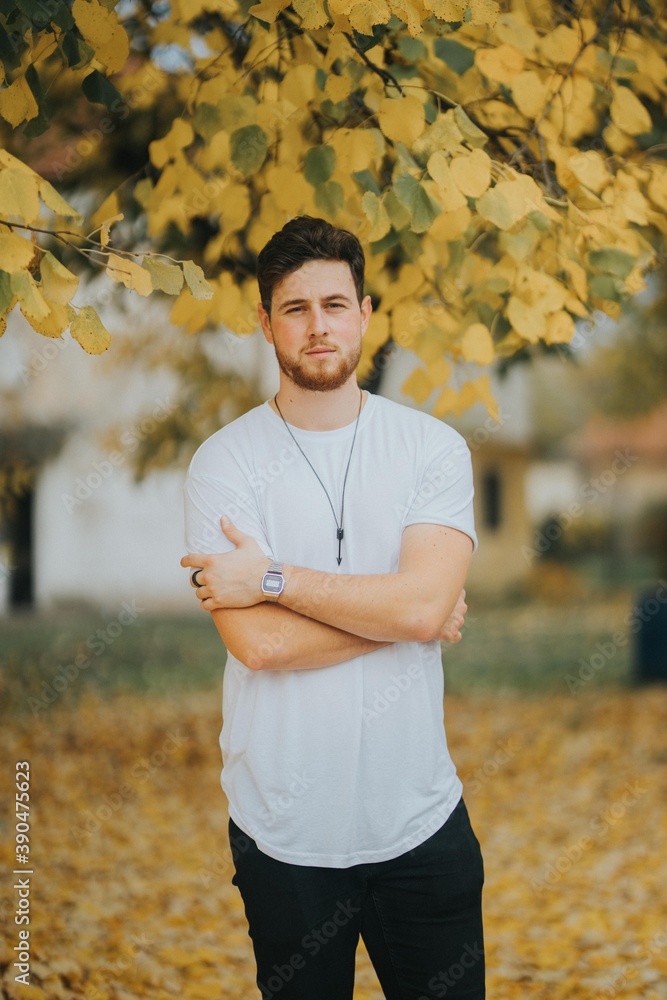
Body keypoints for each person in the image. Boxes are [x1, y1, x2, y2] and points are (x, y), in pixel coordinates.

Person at [181, 216, 485, 1000]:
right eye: (295, 308)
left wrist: (273, 578)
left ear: (366, 313)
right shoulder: (223, 463)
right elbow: (260, 648)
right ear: (264, 322)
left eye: (335, 304)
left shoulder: (431, 449)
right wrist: (407, 616)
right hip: (282, 835)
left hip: (419, 825)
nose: (318, 326)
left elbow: (418, 608)